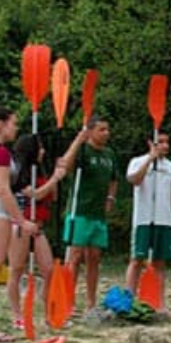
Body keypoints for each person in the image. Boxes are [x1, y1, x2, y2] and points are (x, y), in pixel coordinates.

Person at [0, 105, 39, 342]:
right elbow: (4, 190)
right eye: (13, 123)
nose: (15, 128)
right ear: (0, 124)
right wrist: (22, 221)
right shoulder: (0, 152)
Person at [56, 115, 117, 313]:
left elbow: (113, 179)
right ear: (90, 131)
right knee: (75, 256)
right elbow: (66, 165)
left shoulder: (109, 154)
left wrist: (110, 198)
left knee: (95, 256)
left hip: (98, 214)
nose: (106, 133)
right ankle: (69, 301)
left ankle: (91, 302)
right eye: (101, 129)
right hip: (80, 210)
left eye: (107, 129)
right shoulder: (83, 150)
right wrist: (78, 141)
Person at [124, 130, 171, 314]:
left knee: (160, 262)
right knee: (136, 260)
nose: (165, 145)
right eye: (161, 142)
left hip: (163, 220)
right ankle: (129, 301)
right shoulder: (137, 161)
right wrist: (150, 159)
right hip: (143, 219)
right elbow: (134, 180)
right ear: (151, 142)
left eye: (167, 142)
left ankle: (159, 303)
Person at [6, 134, 61, 329]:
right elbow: (35, 193)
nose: (43, 151)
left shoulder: (40, 171)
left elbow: (50, 196)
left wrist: (54, 177)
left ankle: (49, 312)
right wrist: (54, 178)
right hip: (20, 225)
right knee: (16, 269)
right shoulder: (18, 173)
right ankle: (17, 314)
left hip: (38, 226)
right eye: (40, 148)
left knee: (49, 269)